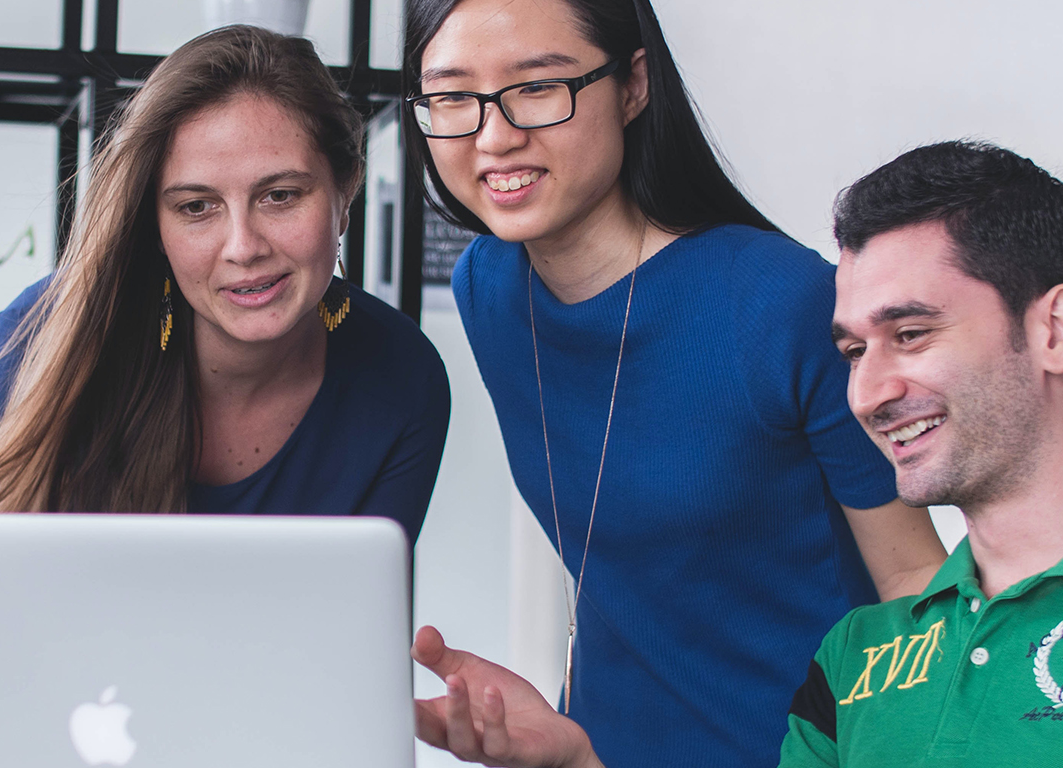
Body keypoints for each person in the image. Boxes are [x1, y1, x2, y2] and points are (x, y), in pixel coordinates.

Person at [408, 141, 1063, 768]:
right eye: (853, 349)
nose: (869, 389)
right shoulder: (855, 660)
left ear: (1055, 328)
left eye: (913, 333)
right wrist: (580, 759)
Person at [402, 0, 947, 762]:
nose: (495, 135)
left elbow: (917, 585)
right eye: (453, 96)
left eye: (538, 86)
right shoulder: (489, 289)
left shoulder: (780, 303)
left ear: (633, 83)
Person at [0, 25, 450, 541]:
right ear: (155, 227)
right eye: (196, 207)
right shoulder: (33, 343)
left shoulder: (403, 378)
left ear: (345, 192)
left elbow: (360, 613)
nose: (243, 246)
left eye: (279, 195)